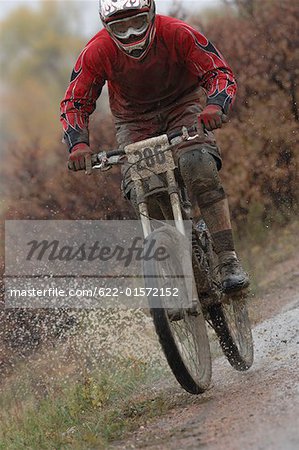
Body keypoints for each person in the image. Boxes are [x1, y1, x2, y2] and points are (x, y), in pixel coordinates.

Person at [60, 0, 249, 294]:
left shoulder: (177, 32)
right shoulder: (97, 51)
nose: (131, 34)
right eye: (120, 27)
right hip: (134, 122)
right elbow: (75, 100)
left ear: (150, 14)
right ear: (106, 27)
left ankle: (228, 260)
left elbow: (218, 72)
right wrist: (78, 144)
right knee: (146, 190)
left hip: (182, 106)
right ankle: (180, 263)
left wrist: (215, 105)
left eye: (137, 23)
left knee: (197, 164)